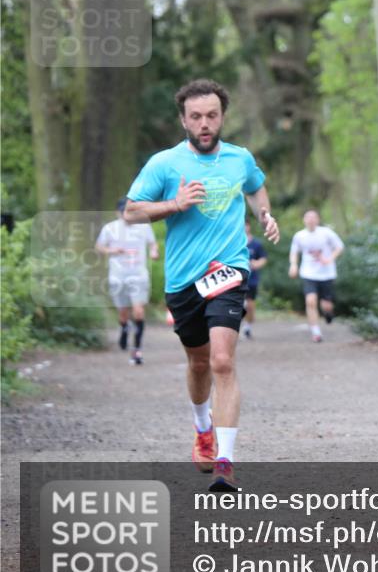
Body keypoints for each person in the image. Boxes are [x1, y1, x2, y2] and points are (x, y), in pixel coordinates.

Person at [123, 78, 279, 492]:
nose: (204, 123)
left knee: (222, 361)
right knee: (198, 363)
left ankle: (225, 462)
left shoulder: (239, 158)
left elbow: (256, 188)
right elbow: (131, 212)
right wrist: (174, 204)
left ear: (223, 116)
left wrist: (264, 215)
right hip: (184, 280)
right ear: (184, 120)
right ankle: (202, 427)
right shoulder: (164, 164)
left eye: (212, 115)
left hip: (228, 270)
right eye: (196, 117)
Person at [95, 198, 159, 365]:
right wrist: (111, 250)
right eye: (124, 211)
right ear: (118, 213)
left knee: (138, 311)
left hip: (138, 275)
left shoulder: (144, 226)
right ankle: (124, 327)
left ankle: (136, 349)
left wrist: (154, 252)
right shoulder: (110, 228)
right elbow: (99, 246)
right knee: (123, 312)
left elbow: (153, 244)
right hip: (118, 276)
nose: (127, 215)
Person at [288, 210, 344, 343]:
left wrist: (330, 259)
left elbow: (340, 247)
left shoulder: (326, 233)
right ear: (304, 220)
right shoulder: (299, 236)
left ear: (318, 220)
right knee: (310, 301)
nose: (311, 220)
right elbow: (294, 252)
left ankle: (328, 314)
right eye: (308, 217)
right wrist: (293, 265)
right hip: (308, 273)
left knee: (326, 305)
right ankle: (316, 332)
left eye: (313, 217)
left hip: (327, 274)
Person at [243, 218, 268, 339]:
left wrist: (256, 264)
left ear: (249, 226)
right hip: (236, 280)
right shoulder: (233, 242)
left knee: (250, 306)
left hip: (251, 280)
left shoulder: (256, 244)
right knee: (238, 305)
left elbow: (263, 258)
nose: (243, 228)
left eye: (245, 225)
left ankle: (248, 327)